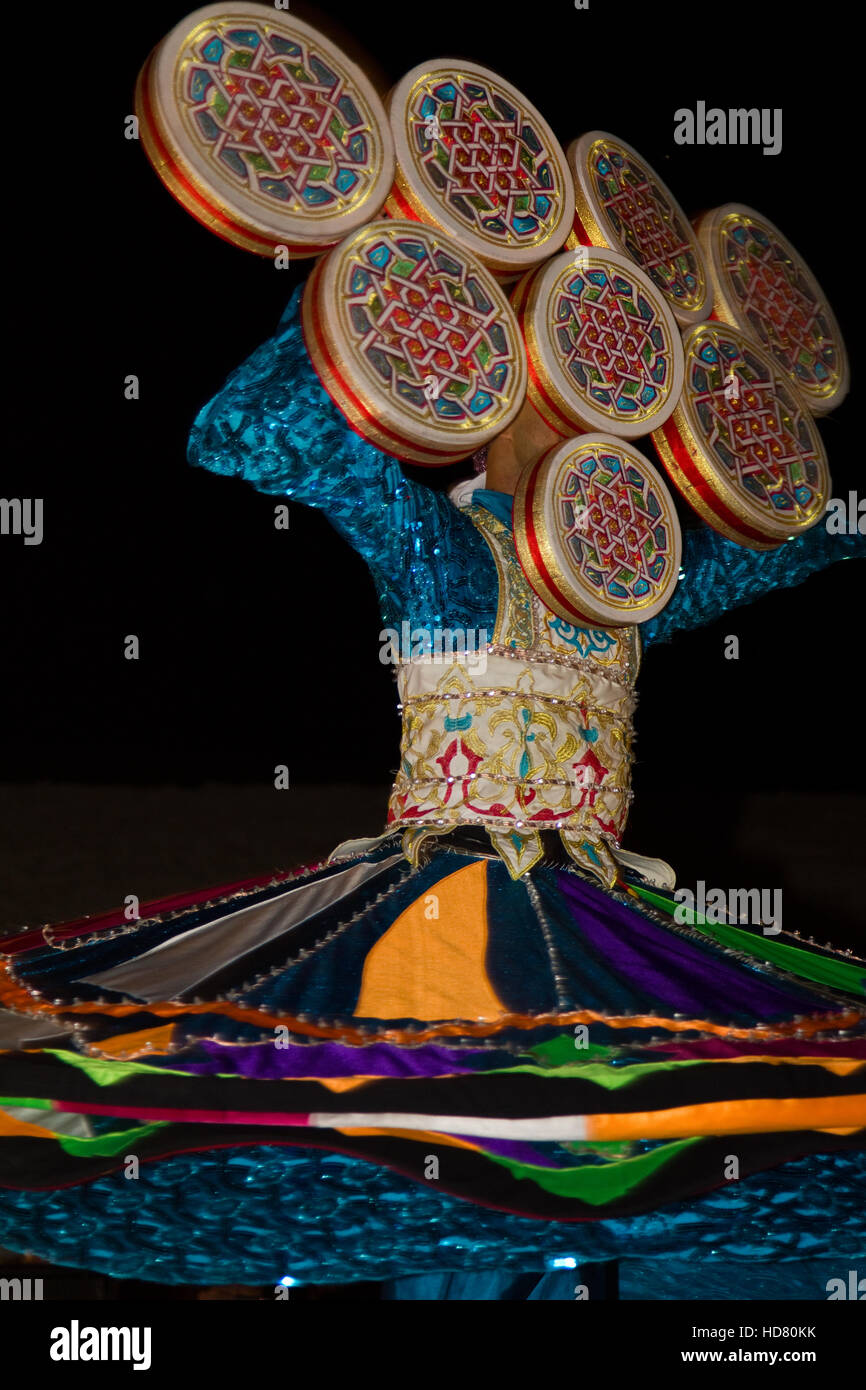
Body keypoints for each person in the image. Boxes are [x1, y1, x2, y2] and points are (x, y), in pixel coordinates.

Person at [0, 280, 863, 1301]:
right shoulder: (447, 553)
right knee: (439, 1133)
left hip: (593, 912)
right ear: (481, 413)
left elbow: (800, 526)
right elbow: (251, 428)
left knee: (599, 1143)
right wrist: (356, 287)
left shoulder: (625, 583)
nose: (575, 427)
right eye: (547, 391)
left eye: (603, 399)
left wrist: (746, 403)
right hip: (445, 911)